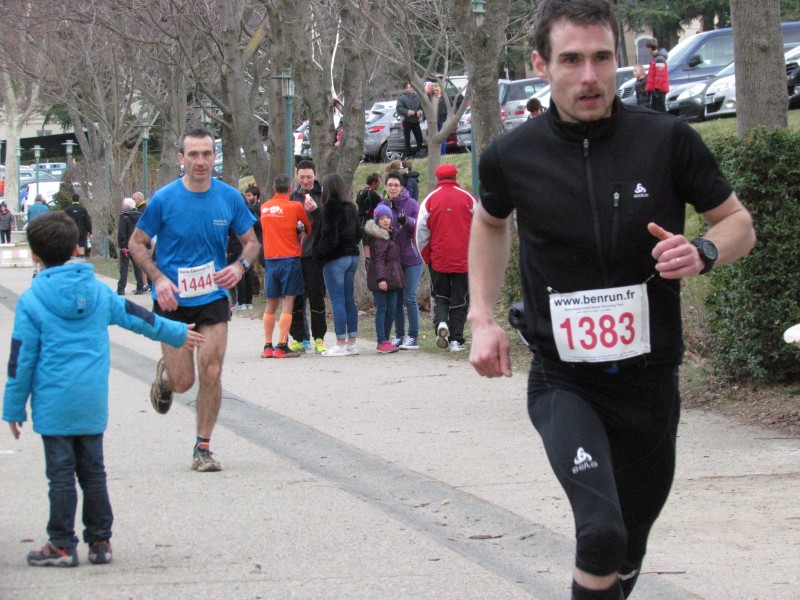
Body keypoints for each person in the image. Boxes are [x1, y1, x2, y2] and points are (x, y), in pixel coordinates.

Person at [468, 1, 756, 599]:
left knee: (625, 551)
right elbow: (489, 222)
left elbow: (738, 224)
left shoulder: (667, 140)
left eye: (602, 58)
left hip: (651, 382)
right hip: (565, 379)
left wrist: (702, 251)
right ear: (540, 64)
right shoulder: (511, 156)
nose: (590, 76)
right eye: (571, 60)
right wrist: (480, 316)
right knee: (599, 534)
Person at [2, 212, 204, 568]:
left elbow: (21, 360)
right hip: (91, 400)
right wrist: (176, 333)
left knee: (60, 476)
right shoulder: (97, 291)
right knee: (93, 472)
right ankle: (100, 541)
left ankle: (62, 543)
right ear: (76, 248)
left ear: (35, 255)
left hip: (53, 404)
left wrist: (14, 408)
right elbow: (138, 318)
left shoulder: (32, 302)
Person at [129, 128, 259, 473]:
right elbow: (136, 243)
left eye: (206, 154)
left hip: (212, 294)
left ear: (214, 157)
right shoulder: (164, 199)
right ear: (181, 158)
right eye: (193, 154)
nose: (200, 161)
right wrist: (158, 278)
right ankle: (167, 377)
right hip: (172, 299)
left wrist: (240, 266)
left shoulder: (229, 197)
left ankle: (203, 447)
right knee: (184, 380)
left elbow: (251, 242)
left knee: (211, 369)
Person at [416, 164, 476, 353]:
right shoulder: (468, 198)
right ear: (455, 177)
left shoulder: (430, 200)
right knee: (460, 298)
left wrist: (427, 256)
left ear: (437, 178)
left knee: (440, 296)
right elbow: (481, 228)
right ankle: (456, 340)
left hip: (439, 257)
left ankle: (441, 322)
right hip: (464, 258)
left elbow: (420, 231)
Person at [260, 173, 312, 359]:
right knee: (287, 301)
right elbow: (307, 228)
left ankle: (267, 346)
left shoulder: (264, 207)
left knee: (271, 302)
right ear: (290, 188)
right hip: (289, 258)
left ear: (274, 188)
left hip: (270, 259)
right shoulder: (295, 206)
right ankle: (282, 345)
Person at [313, 173, 361, 357]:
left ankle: (340, 342)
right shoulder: (352, 207)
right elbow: (358, 234)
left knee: (338, 301)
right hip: (352, 256)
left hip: (335, 259)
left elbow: (329, 236)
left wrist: (318, 253)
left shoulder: (330, 207)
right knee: (349, 300)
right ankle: (352, 342)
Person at [288, 160, 327, 354]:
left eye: (309, 177)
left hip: (315, 254)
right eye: (302, 177)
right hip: (296, 254)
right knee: (296, 298)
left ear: (315, 176)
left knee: (317, 297)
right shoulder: (293, 196)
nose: (305, 181)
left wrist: (316, 211)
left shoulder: (324, 194)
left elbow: (328, 222)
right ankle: (299, 338)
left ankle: (319, 338)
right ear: (297, 176)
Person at [382, 172, 422, 350]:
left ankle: (413, 336)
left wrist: (407, 221)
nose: (393, 188)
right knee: (397, 300)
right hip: (393, 260)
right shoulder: (383, 205)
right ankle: (399, 335)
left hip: (411, 258)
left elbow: (420, 225)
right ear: (385, 187)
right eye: (390, 185)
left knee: (409, 297)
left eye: (396, 185)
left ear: (401, 187)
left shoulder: (411, 203)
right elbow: (375, 226)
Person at [365, 204, 404, 354]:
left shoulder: (391, 235)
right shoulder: (379, 239)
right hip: (381, 280)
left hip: (392, 280)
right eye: (382, 218)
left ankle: (386, 339)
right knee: (382, 309)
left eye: (388, 217)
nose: (386, 220)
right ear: (377, 221)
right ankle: (381, 340)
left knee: (391, 310)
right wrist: (381, 279)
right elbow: (378, 261)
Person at [116, 197, 147, 296]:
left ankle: (121, 289)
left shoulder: (123, 216)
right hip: (137, 245)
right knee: (137, 267)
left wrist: (122, 245)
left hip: (126, 246)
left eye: (123, 205)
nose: (122, 206)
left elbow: (122, 232)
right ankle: (140, 288)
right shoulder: (140, 215)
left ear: (126, 206)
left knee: (124, 268)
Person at [356, 173, 383, 259]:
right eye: (378, 182)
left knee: (363, 240)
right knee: (367, 241)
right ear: (374, 183)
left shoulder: (361, 191)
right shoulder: (372, 194)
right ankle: (368, 260)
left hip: (359, 219)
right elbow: (382, 204)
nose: (379, 184)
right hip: (368, 220)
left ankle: (365, 259)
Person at [396, 82, 424, 158]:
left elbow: (421, 107)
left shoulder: (417, 97)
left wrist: (420, 112)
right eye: (410, 87)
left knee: (420, 138)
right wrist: (408, 112)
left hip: (415, 120)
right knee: (407, 139)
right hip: (406, 121)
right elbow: (399, 108)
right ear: (406, 88)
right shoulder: (401, 98)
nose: (412, 88)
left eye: (412, 87)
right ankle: (408, 155)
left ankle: (418, 152)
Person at [27, 195, 49, 277]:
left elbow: (29, 220)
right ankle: (42, 268)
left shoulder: (30, 208)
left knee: (34, 250)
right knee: (43, 250)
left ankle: (35, 269)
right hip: (43, 231)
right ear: (41, 200)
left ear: (35, 200)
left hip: (33, 231)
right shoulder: (45, 208)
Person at [645, 38, 669, 112]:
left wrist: (656, 90)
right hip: (658, 89)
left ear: (650, 49)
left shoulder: (659, 59)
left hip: (658, 90)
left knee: (659, 109)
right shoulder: (657, 58)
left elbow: (659, 76)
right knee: (657, 109)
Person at [430, 82, 449, 155]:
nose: (435, 92)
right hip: (433, 122)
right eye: (434, 90)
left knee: (442, 138)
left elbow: (450, 107)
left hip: (441, 120)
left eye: (437, 90)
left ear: (441, 89)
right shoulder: (431, 98)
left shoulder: (445, 98)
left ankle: (443, 153)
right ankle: (436, 153)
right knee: (434, 138)